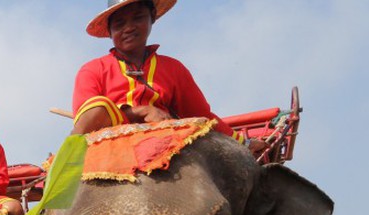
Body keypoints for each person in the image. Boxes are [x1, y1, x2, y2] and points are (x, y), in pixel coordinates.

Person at [71, 0, 246, 142]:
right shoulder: (92, 70)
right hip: (107, 143)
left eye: (138, 18)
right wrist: (143, 111)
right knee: (99, 105)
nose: (129, 27)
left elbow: (203, 116)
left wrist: (243, 142)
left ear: (152, 17)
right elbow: (89, 118)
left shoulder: (174, 69)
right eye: (119, 24)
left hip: (168, 141)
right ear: (110, 31)